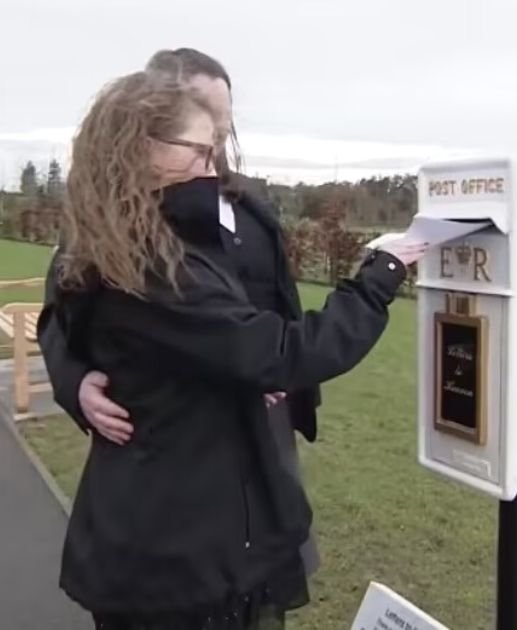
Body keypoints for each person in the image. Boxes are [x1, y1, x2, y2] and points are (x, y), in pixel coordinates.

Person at [47, 71, 425, 628]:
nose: (210, 164)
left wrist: (236, 366)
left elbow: (206, 345)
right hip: (177, 550)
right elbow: (284, 352)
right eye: (201, 149)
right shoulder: (149, 267)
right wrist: (379, 275)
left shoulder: (123, 240)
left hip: (177, 514)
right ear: (144, 148)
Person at [37, 48, 326, 576]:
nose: (216, 138)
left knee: (277, 559)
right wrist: (76, 383)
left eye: (224, 124)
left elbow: (281, 302)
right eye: (205, 121)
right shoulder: (109, 220)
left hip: (262, 414)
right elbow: (59, 311)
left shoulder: (251, 206)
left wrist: (285, 372)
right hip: (180, 445)